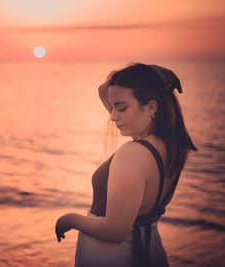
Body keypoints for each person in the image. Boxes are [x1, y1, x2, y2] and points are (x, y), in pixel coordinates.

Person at [55, 63, 197, 267]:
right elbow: (104, 91)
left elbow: (115, 231)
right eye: (112, 107)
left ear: (151, 108)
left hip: (110, 255)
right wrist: (150, 73)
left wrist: (69, 219)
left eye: (121, 108)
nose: (112, 116)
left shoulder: (133, 154)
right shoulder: (173, 144)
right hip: (150, 248)